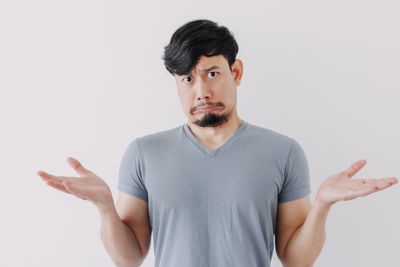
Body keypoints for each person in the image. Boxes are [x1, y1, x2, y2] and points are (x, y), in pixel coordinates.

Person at [37, 19, 398, 267]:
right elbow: (130, 257)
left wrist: (321, 205)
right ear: (176, 83)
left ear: (235, 72)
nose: (201, 91)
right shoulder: (144, 153)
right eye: (187, 79)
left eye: (212, 73)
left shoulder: (284, 152)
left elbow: (295, 259)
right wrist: (104, 207)